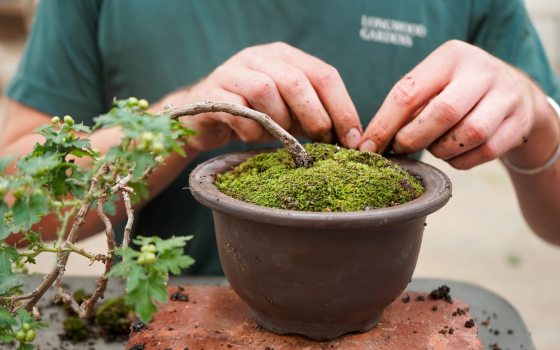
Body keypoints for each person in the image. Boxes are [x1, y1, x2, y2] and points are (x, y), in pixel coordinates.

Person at [0, 0, 559, 275]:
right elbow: (11, 213)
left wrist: (537, 120)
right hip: (171, 319)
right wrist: (179, 122)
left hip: (371, 317)